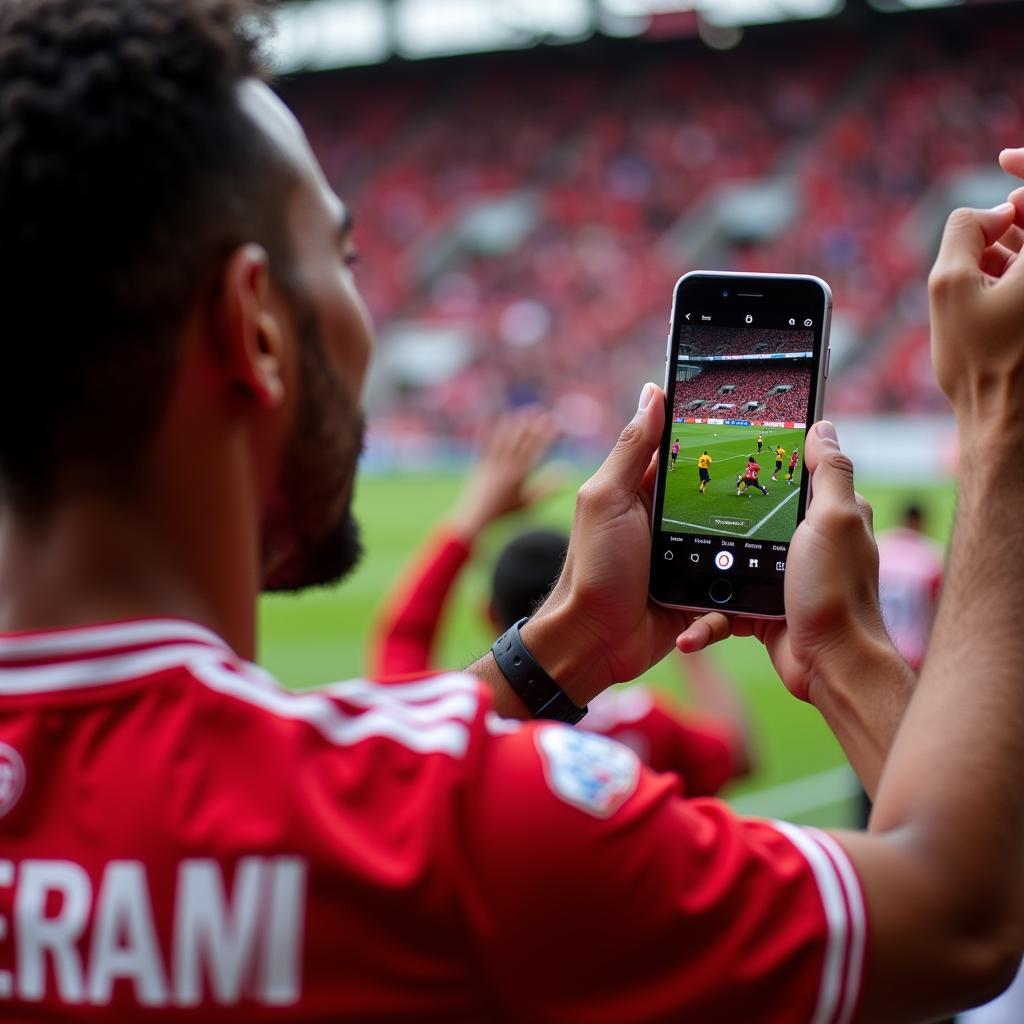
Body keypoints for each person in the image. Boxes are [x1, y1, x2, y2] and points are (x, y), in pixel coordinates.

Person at [2, 2, 1024, 1020]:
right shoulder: (462, 833)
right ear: (256, 326)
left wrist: (571, 640)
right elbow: (958, 918)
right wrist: (999, 426)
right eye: (346, 262)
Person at [371, 410, 753, 793]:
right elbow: (737, 754)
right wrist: (683, 621)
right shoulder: (644, 724)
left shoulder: (453, 731)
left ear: (488, 613)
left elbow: (403, 642)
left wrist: (471, 518)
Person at [876, 503, 945, 672]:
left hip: (878, 647)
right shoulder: (929, 557)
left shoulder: (879, 548)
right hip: (914, 652)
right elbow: (937, 609)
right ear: (920, 522)